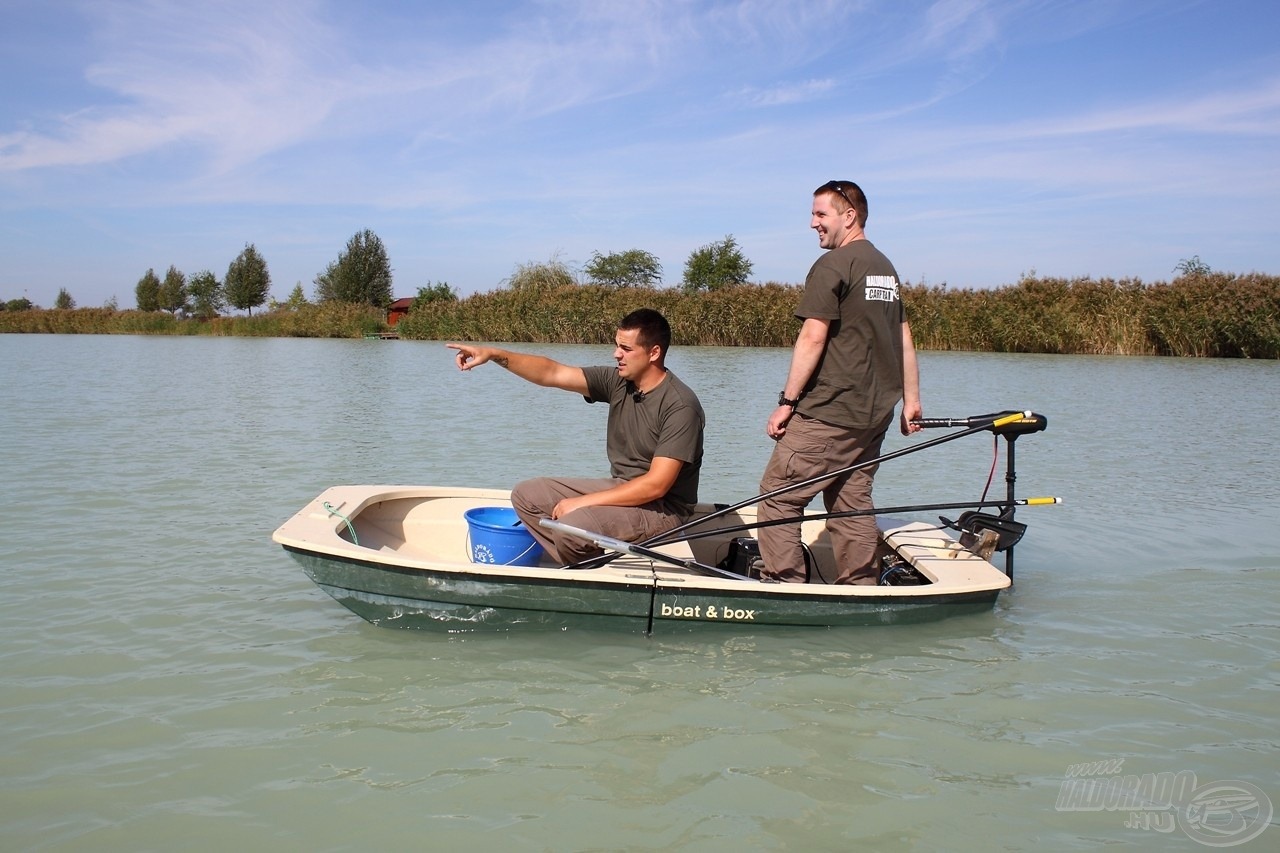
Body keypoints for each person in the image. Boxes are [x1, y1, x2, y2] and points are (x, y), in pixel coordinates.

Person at [756, 180, 922, 584]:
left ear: (850, 216)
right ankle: (860, 589)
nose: (812, 223)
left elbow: (813, 336)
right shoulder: (885, 267)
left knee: (776, 499)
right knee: (850, 501)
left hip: (829, 411)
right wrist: (911, 399)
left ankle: (785, 587)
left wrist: (787, 401)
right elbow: (904, 336)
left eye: (820, 214)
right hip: (874, 415)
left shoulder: (833, 265)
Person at [446, 308, 704, 566]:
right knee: (527, 495)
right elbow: (553, 373)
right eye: (617, 346)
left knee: (573, 525)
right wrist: (493, 354)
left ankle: (584, 569)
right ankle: (584, 562)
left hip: (663, 510)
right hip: (623, 486)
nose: (617, 354)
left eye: (626, 348)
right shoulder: (619, 382)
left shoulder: (680, 406)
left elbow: (655, 485)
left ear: (654, 353)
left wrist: (582, 503)